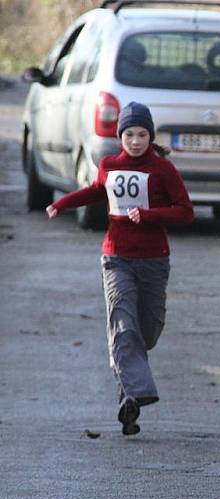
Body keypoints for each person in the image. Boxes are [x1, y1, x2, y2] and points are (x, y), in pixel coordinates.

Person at [46, 102, 194, 436]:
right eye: (129, 134)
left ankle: (130, 392)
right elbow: (96, 191)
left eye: (142, 134)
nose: (136, 141)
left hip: (154, 259)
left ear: (150, 136)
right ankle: (134, 394)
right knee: (123, 323)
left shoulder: (163, 170)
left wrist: (150, 214)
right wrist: (62, 203)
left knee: (147, 329)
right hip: (116, 258)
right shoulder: (109, 165)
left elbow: (185, 212)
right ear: (120, 136)